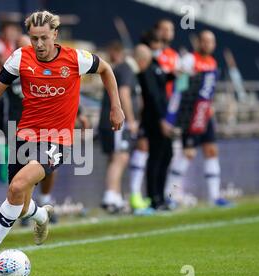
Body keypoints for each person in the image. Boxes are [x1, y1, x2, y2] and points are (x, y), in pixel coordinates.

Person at [0, 10, 124, 276]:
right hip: (24, 137)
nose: (38, 44)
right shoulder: (20, 57)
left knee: (18, 185)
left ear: (55, 35)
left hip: (57, 140)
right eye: (34, 38)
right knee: (19, 202)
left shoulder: (75, 58)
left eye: (44, 38)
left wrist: (115, 107)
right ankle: (40, 215)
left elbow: (106, 68)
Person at [165, 30, 233, 207]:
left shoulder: (212, 62)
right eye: (204, 41)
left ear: (214, 44)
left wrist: (210, 106)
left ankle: (214, 196)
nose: (207, 44)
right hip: (190, 114)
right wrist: (177, 113)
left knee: (211, 150)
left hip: (205, 114)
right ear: (198, 43)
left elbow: (209, 90)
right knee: (188, 154)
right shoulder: (189, 60)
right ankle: (170, 195)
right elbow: (180, 86)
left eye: (210, 41)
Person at [99, 42, 149, 213]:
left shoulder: (125, 69)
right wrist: (132, 120)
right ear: (143, 60)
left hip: (113, 121)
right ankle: (111, 196)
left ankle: (115, 196)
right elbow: (125, 94)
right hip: (118, 122)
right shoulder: (127, 69)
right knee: (121, 157)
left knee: (116, 157)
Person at [137, 30, 175, 210]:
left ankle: (161, 195)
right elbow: (152, 95)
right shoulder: (147, 68)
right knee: (157, 156)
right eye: (156, 42)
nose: (160, 46)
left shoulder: (157, 65)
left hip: (163, 115)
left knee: (166, 154)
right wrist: (162, 119)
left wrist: (173, 75)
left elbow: (161, 86)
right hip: (154, 118)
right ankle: (154, 198)